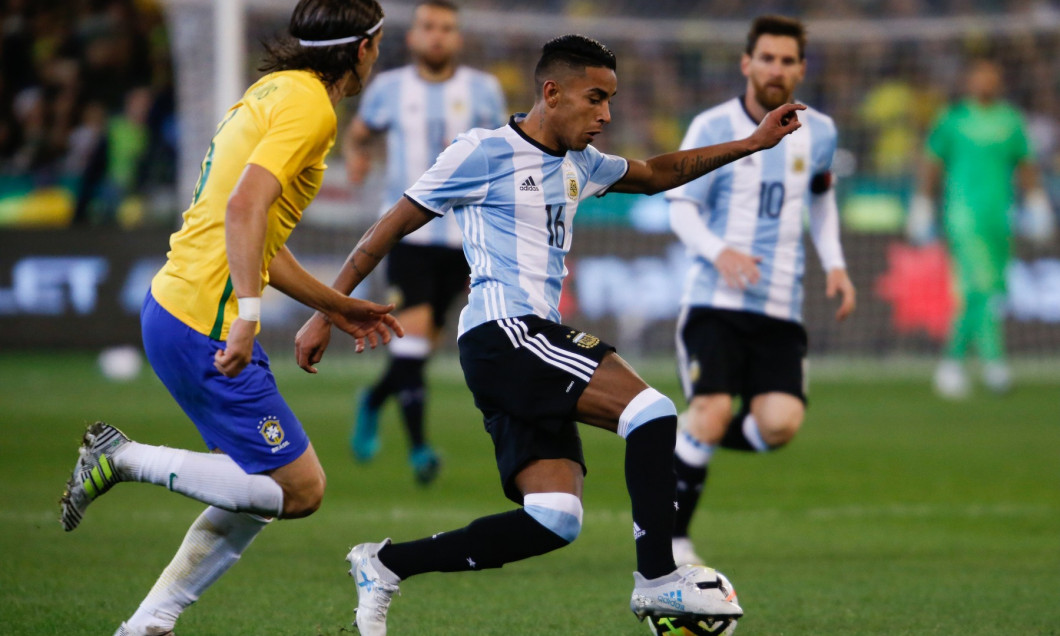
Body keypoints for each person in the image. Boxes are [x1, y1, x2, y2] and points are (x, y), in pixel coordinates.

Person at [295, 34, 804, 634]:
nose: (606, 115)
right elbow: (387, 228)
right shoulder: (481, 152)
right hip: (504, 333)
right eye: (595, 99)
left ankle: (384, 564)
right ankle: (658, 580)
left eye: (611, 101)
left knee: (554, 518)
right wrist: (325, 311)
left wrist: (751, 143)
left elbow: (656, 173)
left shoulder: (580, 164)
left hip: (526, 345)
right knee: (653, 412)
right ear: (552, 92)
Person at [58, 2, 399, 634]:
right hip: (203, 321)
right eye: (377, 44)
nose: (378, 55)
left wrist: (333, 304)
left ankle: (148, 625)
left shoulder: (275, 88)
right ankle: (123, 457)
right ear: (362, 49)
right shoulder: (314, 109)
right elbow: (245, 208)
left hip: (174, 305)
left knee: (253, 485)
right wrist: (246, 316)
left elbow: (259, 229)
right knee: (300, 489)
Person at [664, 15, 856, 568]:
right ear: (747, 63)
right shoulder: (711, 126)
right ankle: (675, 541)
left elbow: (821, 197)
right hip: (714, 302)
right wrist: (717, 251)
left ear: (800, 67)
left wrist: (837, 265)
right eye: (767, 57)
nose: (777, 68)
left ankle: (682, 438)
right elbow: (680, 206)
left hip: (779, 305)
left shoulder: (820, 130)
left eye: (788, 59)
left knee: (780, 425)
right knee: (714, 407)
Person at [343, 0, 507, 483]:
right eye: (428, 27)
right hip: (406, 235)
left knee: (420, 349)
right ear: (413, 36)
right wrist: (356, 156)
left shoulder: (483, 90)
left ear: (457, 38)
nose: (437, 35)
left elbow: (502, 151)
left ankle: (372, 399)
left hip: (465, 240)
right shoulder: (389, 89)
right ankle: (420, 451)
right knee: (412, 346)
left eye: (447, 28)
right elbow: (359, 133)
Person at [907, 58, 1055, 398]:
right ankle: (985, 363)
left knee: (987, 291)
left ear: (999, 81)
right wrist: (922, 203)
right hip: (963, 215)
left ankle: (960, 364)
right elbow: (932, 163)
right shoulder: (953, 120)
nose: (985, 82)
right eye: (979, 76)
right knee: (980, 286)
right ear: (968, 81)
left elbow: (1026, 164)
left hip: (999, 216)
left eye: (991, 76)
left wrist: (1036, 202)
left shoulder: (1010, 120)